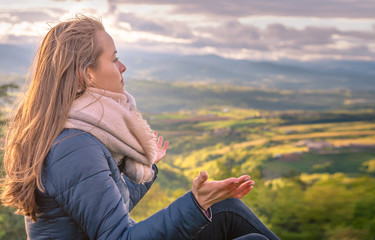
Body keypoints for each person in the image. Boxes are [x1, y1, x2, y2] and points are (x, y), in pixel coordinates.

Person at [1, 15, 280, 240]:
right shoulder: (74, 146)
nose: (123, 67)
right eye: (113, 59)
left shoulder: (76, 134)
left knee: (224, 208)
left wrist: (149, 167)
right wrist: (195, 203)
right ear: (87, 74)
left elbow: (107, 210)